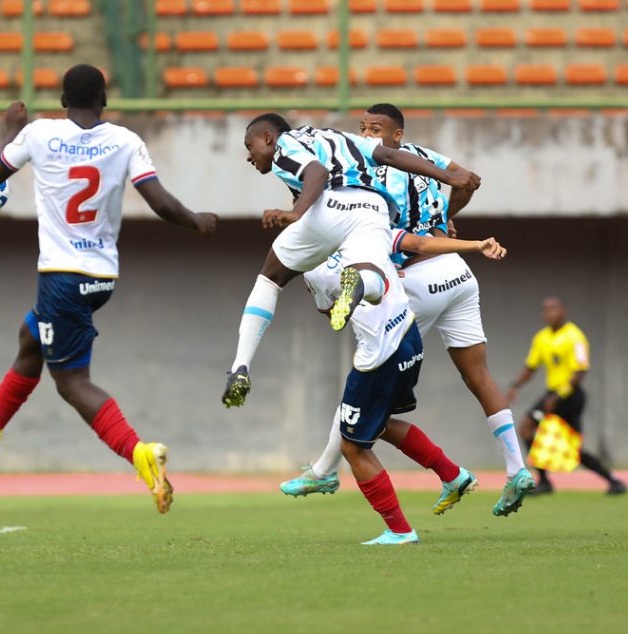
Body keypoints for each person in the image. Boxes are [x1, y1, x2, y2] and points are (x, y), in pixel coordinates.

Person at [0, 64, 217, 514]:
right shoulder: (126, 141)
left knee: (71, 383)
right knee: (31, 336)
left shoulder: (38, 134)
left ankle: (140, 455)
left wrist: (11, 132)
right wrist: (196, 221)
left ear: (63, 100)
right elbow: (160, 201)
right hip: (101, 275)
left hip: (61, 275)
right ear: (104, 99)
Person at [282, 104, 534, 518]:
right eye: (362, 127)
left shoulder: (369, 172)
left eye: (375, 128)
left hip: (416, 277)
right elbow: (468, 179)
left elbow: (395, 236)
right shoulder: (428, 158)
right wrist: (447, 217)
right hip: (458, 274)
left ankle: (325, 469)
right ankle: (515, 468)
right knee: (479, 376)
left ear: (396, 135)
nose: (365, 134)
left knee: (364, 376)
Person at [222, 112, 479, 406]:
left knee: (270, 279)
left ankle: (240, 366)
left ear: (267, 137)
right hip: (373, 209)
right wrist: (448, 176)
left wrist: (296, 213)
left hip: (328, 204)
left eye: (249, 146)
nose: (249, 156)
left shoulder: (287, 144)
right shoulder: (342, 138)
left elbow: (316, 173)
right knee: (371, 276)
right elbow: (389, 155)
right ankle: (358, 284)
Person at [299, 246, 481, 544]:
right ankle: (453, 475)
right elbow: (409, 245)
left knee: (352, 446)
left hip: (379, 355)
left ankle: (400, 531)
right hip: (409, 339)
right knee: (378, 422)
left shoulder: (314, 268)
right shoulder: (372, 237)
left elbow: (334, 317)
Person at [507, 297, 626, 495]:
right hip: (551, 396)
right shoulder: (542, 337)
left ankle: (613, 481)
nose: (549, 313)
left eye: (554, 309)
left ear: (564, 311)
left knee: (571, 448)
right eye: (545, 309)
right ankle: (545, 481)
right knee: (527, 429)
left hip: (570, 397)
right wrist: (515, 385)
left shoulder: (575, 336)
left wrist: (558, 396)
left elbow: (580, 372)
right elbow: (531, 366)